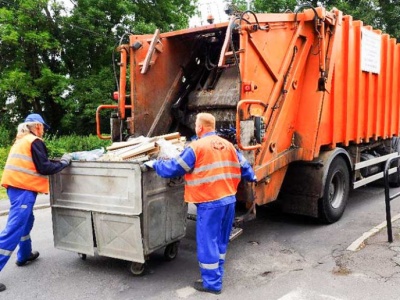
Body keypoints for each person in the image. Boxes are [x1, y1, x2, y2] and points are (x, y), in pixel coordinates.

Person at [149, 112, 256, 294]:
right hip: (229, 200)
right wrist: (253, 176)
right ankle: (217, 273)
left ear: (200, 127)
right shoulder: (229, 145)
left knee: (208, 242)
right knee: (221, 240)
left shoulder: (196, 147)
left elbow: (175, 168)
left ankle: (212, 284)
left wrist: (155, 165)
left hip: (210, 203)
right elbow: (246, 168)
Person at [0, 113, 72, 292]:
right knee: (13, 229)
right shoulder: (34, 141)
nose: (44, 131)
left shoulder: (22, 140)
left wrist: (58, 162)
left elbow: (39, 163)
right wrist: (64, 163)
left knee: (26, 222)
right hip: (23, 189)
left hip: (16, 187)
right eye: (43, 128)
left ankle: (24, 255)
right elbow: (44, 167)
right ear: (37, 126)